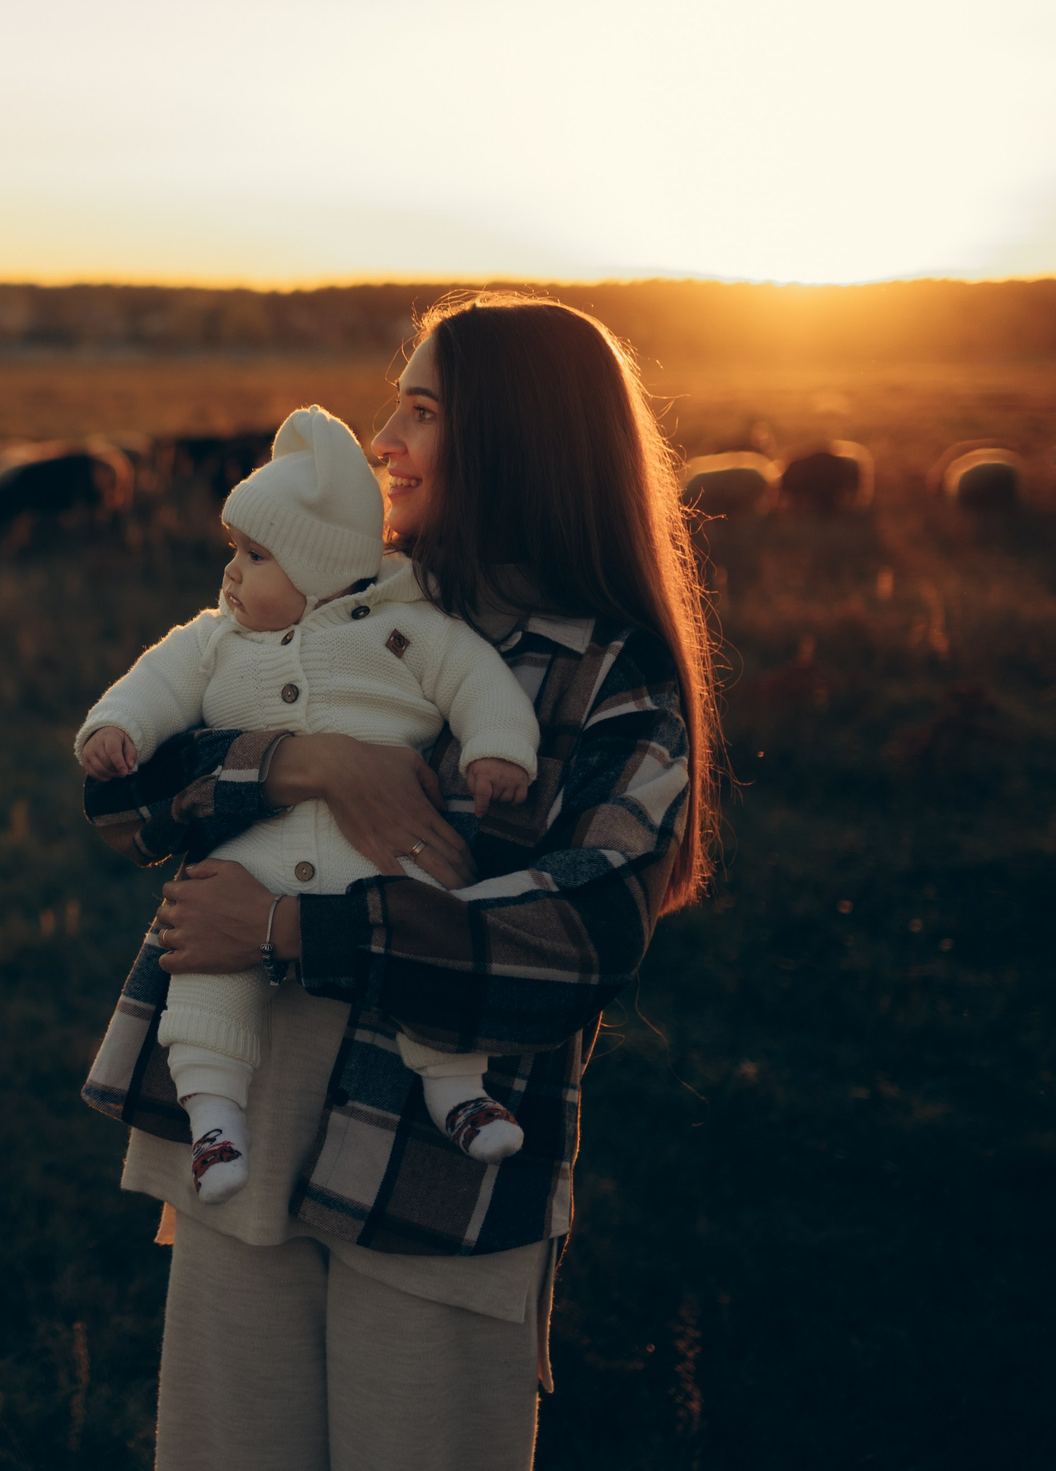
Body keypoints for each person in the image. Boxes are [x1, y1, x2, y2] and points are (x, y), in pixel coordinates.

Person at [78, 293, 717, 1471]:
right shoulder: (342, 592)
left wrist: (283, 927)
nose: (383, 442)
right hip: (249, 1125)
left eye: (420, 412)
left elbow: (581, 938)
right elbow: (122, 795)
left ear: (515, 439)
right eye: (393, 407)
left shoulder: (608, 678)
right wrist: (305, 759)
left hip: (435, 1181)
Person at [75, 404, 542, 1208]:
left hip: (389, 852)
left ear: (321, 568)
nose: (231, 573)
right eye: (235, 551)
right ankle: (214, 1115)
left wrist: (498, 748)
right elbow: (156, 680)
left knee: (429, 924)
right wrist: (117, 725)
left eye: (255, 555)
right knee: (205, 962)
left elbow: (477, 681)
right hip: (256, 850)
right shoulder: (215, 638)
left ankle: (458, 1088)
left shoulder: (409, 629)